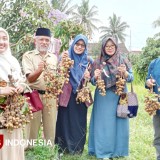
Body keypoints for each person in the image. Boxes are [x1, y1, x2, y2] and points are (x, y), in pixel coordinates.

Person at [88, 36, 134, 159]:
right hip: (104, 95)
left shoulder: (123, 59)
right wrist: (96, 77)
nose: (109, 48)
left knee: (121, 121)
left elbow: (131, 78)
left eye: (112, 46)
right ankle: (103, 152)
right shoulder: (98, 62)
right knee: (104, 123)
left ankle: (119, 151)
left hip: (121, 94)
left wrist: (124, 73)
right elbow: (92, 81)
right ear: (103, 48)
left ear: (116, 47)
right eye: (107, 46)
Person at [55, 34, 93, 154]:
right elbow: (57, 75)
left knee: (79, 121)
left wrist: (89, 76)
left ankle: (77, 148)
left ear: (85, 47)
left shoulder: (88, 60)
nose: (79, 47)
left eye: (82, 45)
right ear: (73, 44)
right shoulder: (65, 57)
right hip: (66, 94)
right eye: (77, 44)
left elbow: (93, 79)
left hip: (80, 95)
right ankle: (62, 147)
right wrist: (62, 65)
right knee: (64, 120)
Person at [22, 27, 57, 146]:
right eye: (41, 39)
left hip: (50, 96)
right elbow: (29, 78)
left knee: (50, 127)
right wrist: (39, 70)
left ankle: (49, 152)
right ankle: (29, 151)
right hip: (33, 94)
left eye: (47, 40)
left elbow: (56, 79)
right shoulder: (28, 56)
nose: (44, 42)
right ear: (35, 41)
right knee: (31, 127)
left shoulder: (53, 58)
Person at [0, 27, 25, 160]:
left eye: (4, 39)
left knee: (12, 138)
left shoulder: (13, 61)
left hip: (12, 111)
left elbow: (21, 80)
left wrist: (20, 86)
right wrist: (2, 91)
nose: (2, 42)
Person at [145, 57, 160, 160]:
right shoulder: (154, 63)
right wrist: (148, 82)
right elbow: (147, 80)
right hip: (157, 106)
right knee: (158, 137)